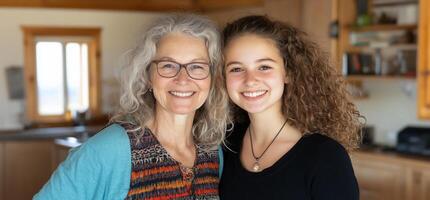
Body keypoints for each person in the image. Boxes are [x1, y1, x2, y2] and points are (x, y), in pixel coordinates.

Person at [34, 13, 230, 200]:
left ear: (212, 79)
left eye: (197, 66)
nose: (182, 79)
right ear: (147, 77)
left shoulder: (212, 153)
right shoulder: (112, 148)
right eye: (168, 65)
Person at [219, 15, 364, 200]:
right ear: (223, 77)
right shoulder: (223, 144)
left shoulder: (325, 157)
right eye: (236, 69)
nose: (250, 80)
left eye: (264, 67)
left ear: (287, 73)